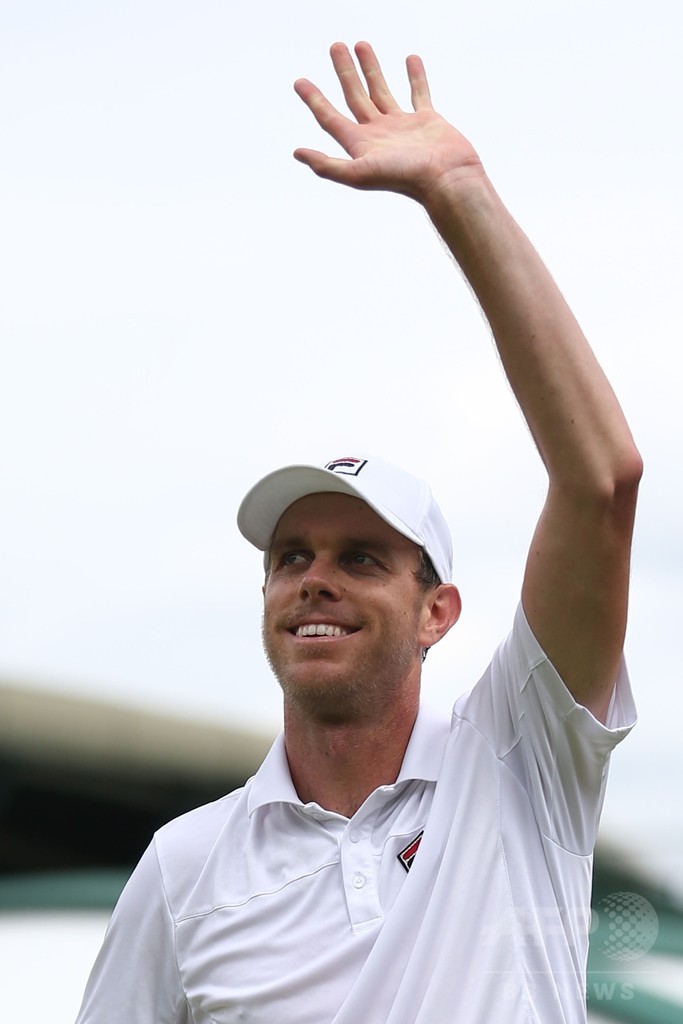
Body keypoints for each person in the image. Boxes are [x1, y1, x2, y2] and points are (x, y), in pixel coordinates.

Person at [75, 42, 641, 1024]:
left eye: (361, 558)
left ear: (437, 612)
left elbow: (600, 482)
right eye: (290, 557)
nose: (314, 579)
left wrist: (458, 192)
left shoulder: (519, 761)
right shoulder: (184, 864)